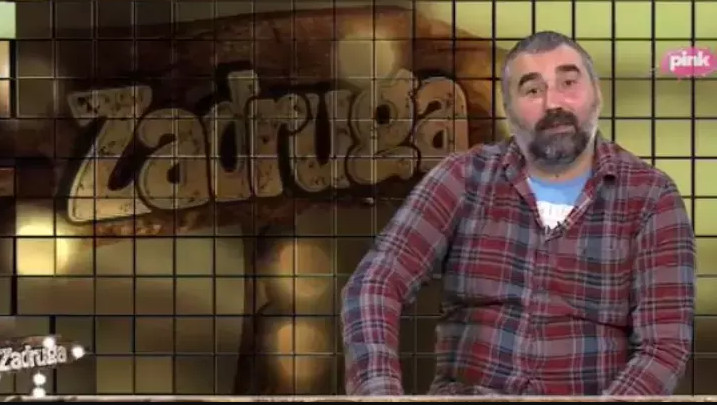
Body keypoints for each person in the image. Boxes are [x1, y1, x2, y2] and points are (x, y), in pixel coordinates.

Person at [340, 30, 695, 396]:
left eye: (568, 82)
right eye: (532, 89)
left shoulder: (651, 196)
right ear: (508, 111)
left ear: (597, 95)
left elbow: (663, 347)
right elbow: (374, 284)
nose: (553, 103)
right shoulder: (462, 177)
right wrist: (379, 393)